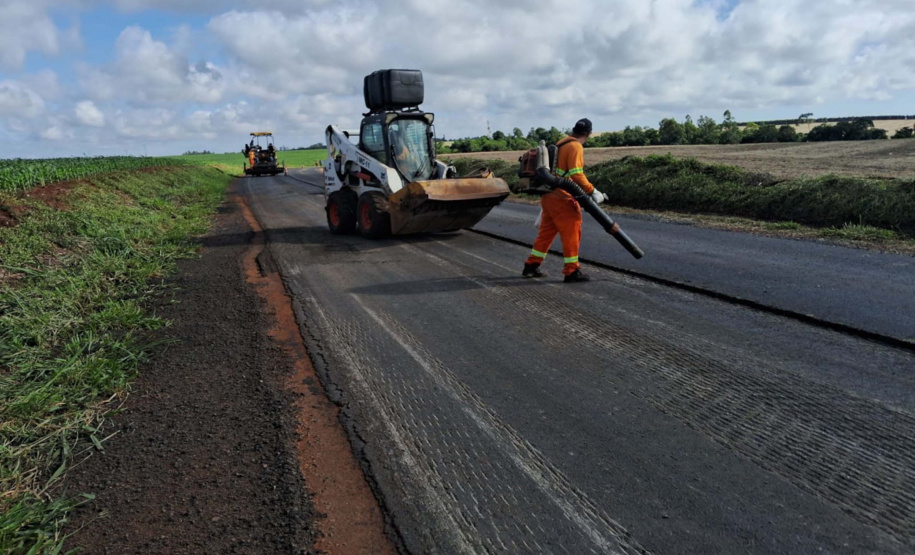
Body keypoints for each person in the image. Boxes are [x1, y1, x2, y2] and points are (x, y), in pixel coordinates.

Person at [522, 118, 606, 283]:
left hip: (549, 195)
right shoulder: (575, 146)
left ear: (574, 130)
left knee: (546, 233)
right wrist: (593, 191)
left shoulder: (561, 143)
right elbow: (576, 174)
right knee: (572, 232)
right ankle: (571, 270)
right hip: (562, 197)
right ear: (588, 134)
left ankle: (531, 266)